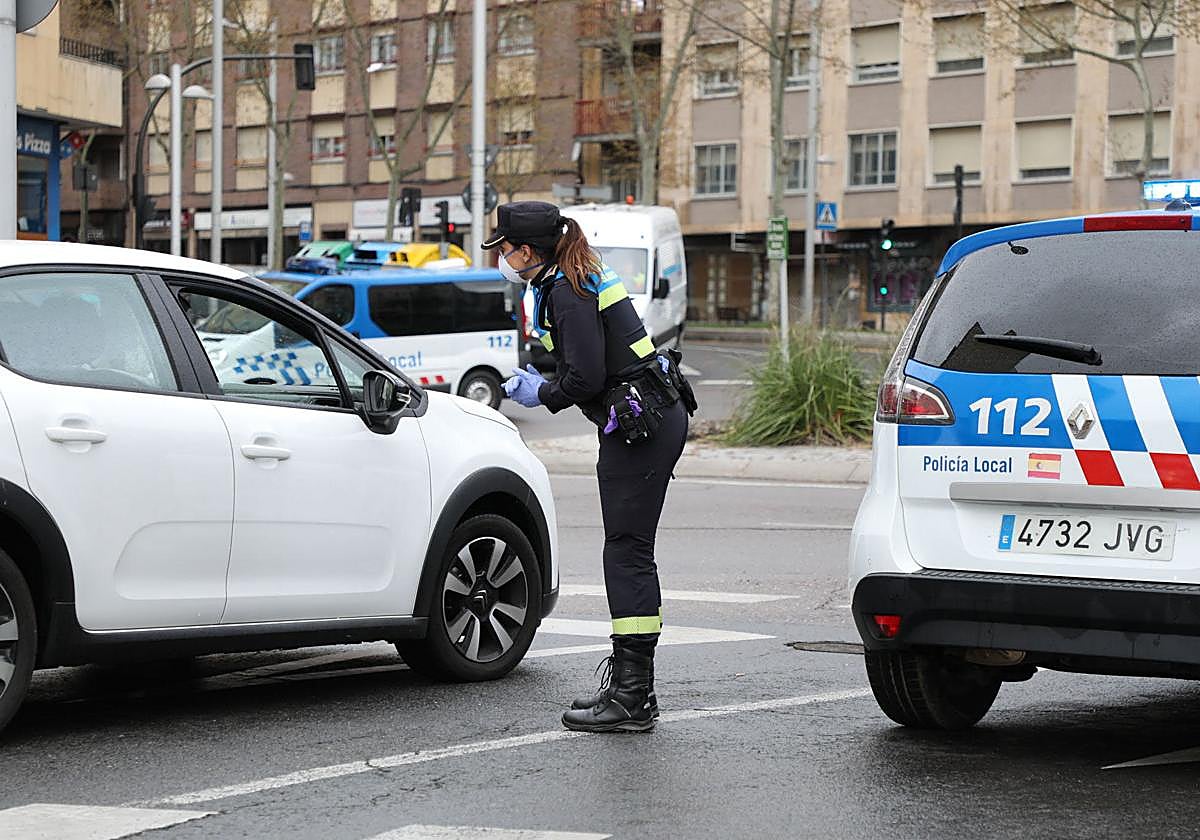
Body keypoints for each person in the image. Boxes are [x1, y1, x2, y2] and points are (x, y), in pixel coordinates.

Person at [485, 201, 695, 734]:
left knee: (626, 553)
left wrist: (541, 393)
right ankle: (634, 691)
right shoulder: (575, 272)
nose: (501, 257)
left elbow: (585, 378)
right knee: (630, 551)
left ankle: (631, 696)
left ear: (526, 251)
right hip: (649, 416)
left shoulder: (566, 289)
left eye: (504, 248)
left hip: (640, 427)